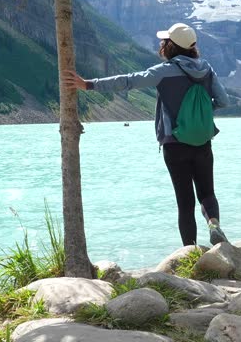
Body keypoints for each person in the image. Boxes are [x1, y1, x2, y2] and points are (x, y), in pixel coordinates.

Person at [62, 23, 230, 247]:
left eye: (165, 42)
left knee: (185, 202)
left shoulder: (164, 72)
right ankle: (214, 225)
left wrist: (89, 85)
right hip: (203, 142)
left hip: (174, 143)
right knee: (207, 193)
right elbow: (224, 101)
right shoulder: (207, 69)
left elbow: (129, 81)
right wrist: (199, 111)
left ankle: (189, 252)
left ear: (170, 46)